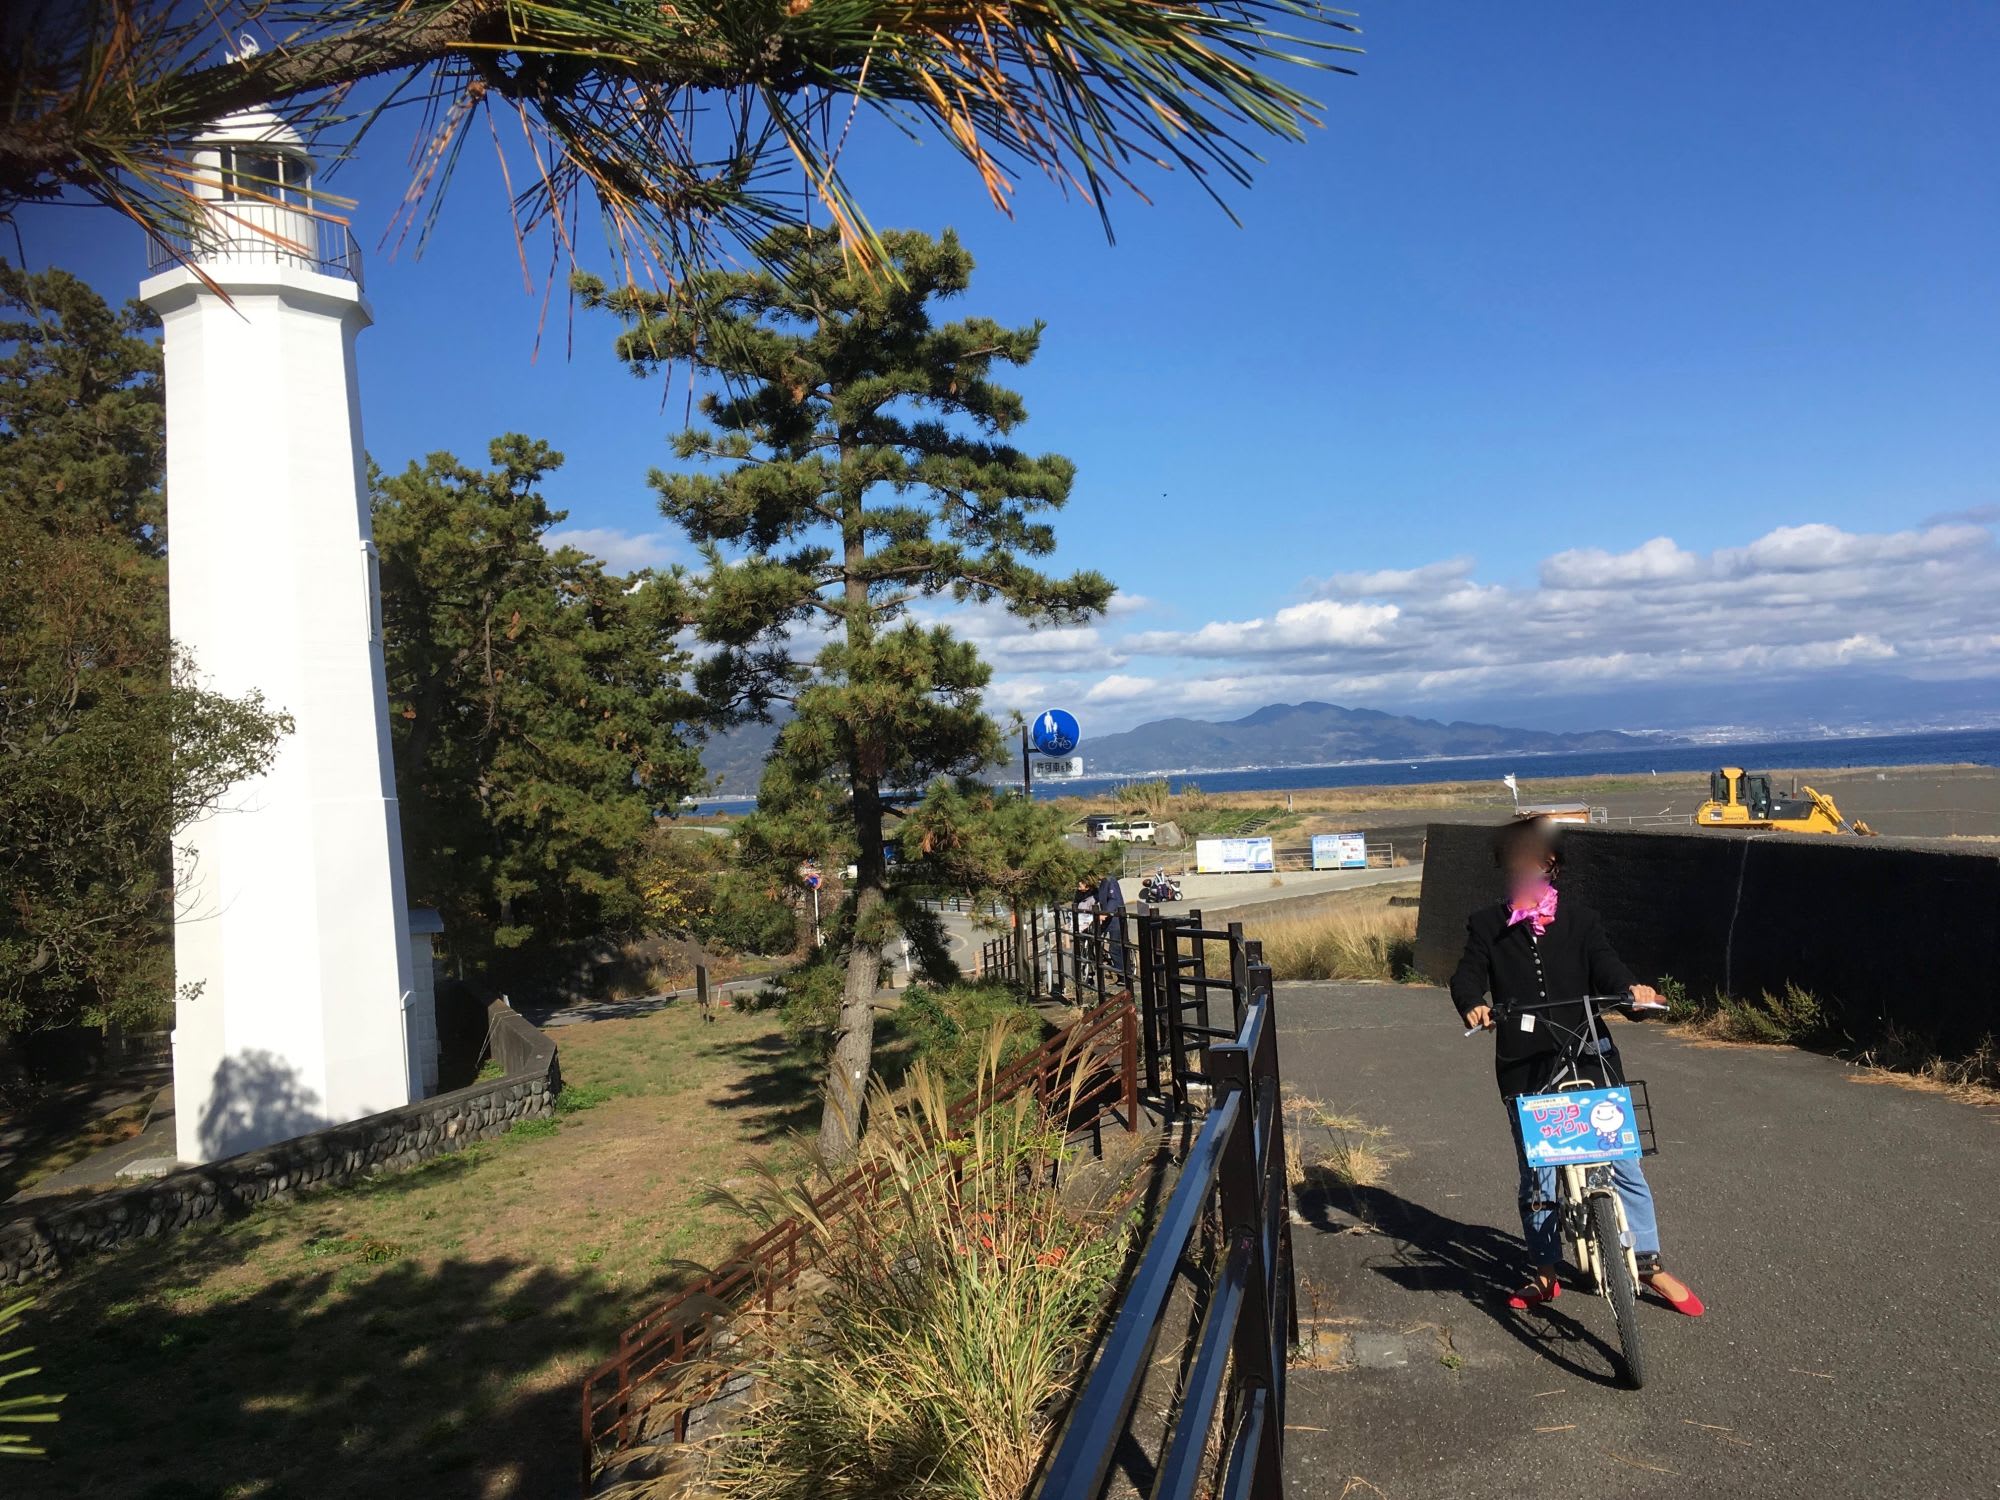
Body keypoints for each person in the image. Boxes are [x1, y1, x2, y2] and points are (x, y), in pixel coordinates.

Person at [1450, 817, 1705, 1317]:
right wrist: (1473, 1004)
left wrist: (1634, 993)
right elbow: (1466, 975)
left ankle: (1648, 1264)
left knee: (1624, 1162)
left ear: (1552, 864)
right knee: (1539, 1176)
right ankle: (1545, 1270)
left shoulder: (1582, 920)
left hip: (1589, 1054)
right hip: (1526, 1064)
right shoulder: (1486, 924)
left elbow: (1609, 970)